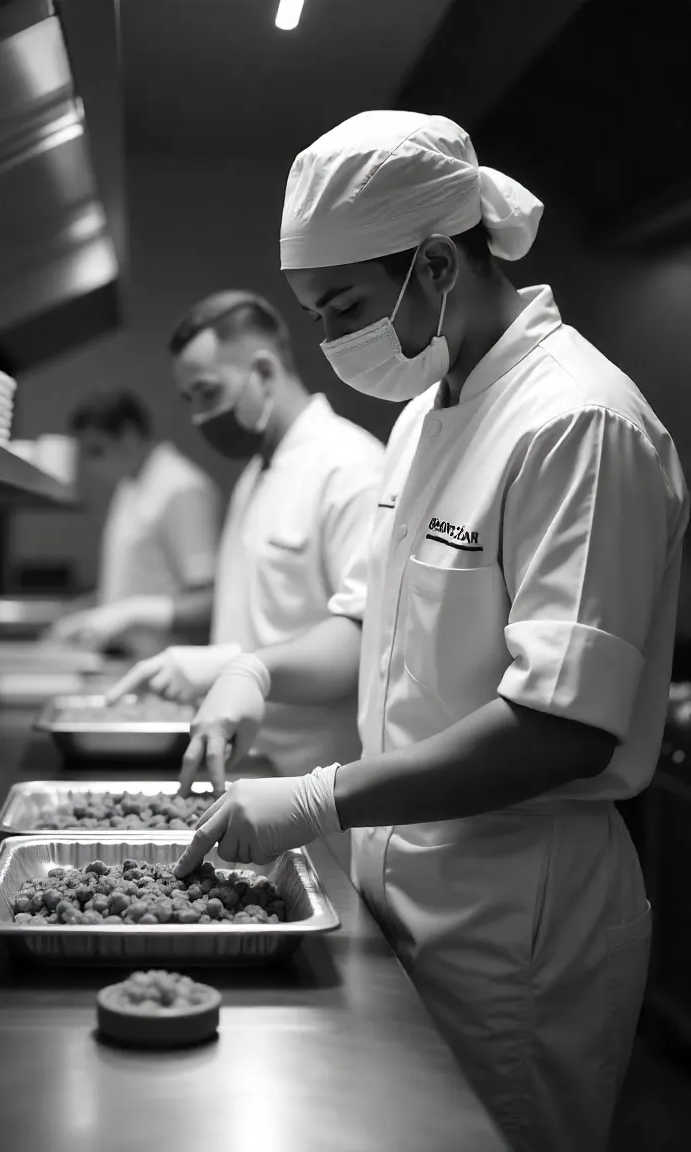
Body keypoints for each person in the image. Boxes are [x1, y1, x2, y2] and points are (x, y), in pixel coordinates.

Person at [172, 112, 690, 1152]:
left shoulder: (579, 422)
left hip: (515, 917)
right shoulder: (423, 417)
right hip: (398, 883)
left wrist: (321, 796)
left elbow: (562, 727)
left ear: (439, 262)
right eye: (314, 314)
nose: (327, 342)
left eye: (343, 307)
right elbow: (368, 627)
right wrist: (256, 674)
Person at [105, 291, 383, 779]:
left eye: (209, 393)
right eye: (189, 400)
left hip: (316, 784)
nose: (198, 418)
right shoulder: (257, 474)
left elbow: (366, 643)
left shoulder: (350, 469)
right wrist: (215, 663)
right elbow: (264, 621)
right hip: (247, 770)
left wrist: (242, 670)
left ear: (264, 371)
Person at [49, 390, 221, 656]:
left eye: (97, 450)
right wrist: (87, 610)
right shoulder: (130, 486)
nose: (91, 464)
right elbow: (138, 581)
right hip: (129, 659)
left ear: (129, 435)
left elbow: (207, 603)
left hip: (168, 663)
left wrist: (130, 614)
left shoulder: (181, 488)